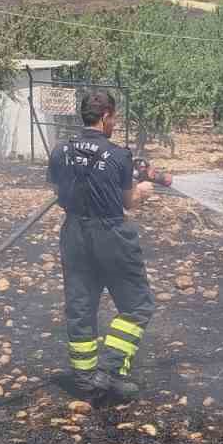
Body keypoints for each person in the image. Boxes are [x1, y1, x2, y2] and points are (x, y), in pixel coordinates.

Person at [46, 90, 155, 402]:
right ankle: (109, 370)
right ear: (106, 116)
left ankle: (85, 379)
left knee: (81, 305)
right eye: (114, 118)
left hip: (73, 234)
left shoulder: (60, 150)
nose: (114, 123)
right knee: (138, 306)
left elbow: (58, 193)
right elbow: (129, 203)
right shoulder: (120, 155)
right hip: (111, 235)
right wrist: (143, 190)